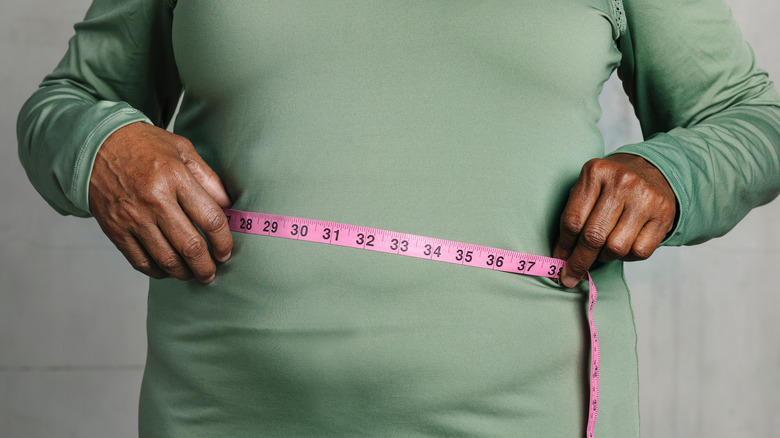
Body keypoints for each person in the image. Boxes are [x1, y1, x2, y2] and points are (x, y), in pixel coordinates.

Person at [16, 1, 780, 436]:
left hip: (527, 418)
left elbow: (752, 120)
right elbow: (67, 101)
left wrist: (671, 174)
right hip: (221, 414)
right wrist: (103, 145)